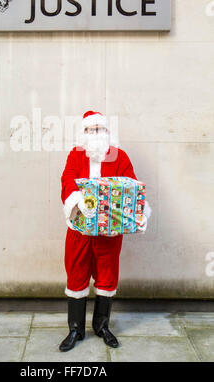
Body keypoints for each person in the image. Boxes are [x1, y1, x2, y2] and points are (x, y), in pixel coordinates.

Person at [59, 110, 152, 352]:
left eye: (100, 129)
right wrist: (78, 201)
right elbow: (68, 180)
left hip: (110, 234)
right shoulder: (75, 156)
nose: (95, 133)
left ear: (108, 132)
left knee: (107, 275)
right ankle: (75, 329)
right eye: (91, 130)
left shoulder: (120, 156)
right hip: (80, 230)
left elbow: (131, 184)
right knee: (76, 273)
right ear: (84, 133)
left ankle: (102, 326)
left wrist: (140, 212)